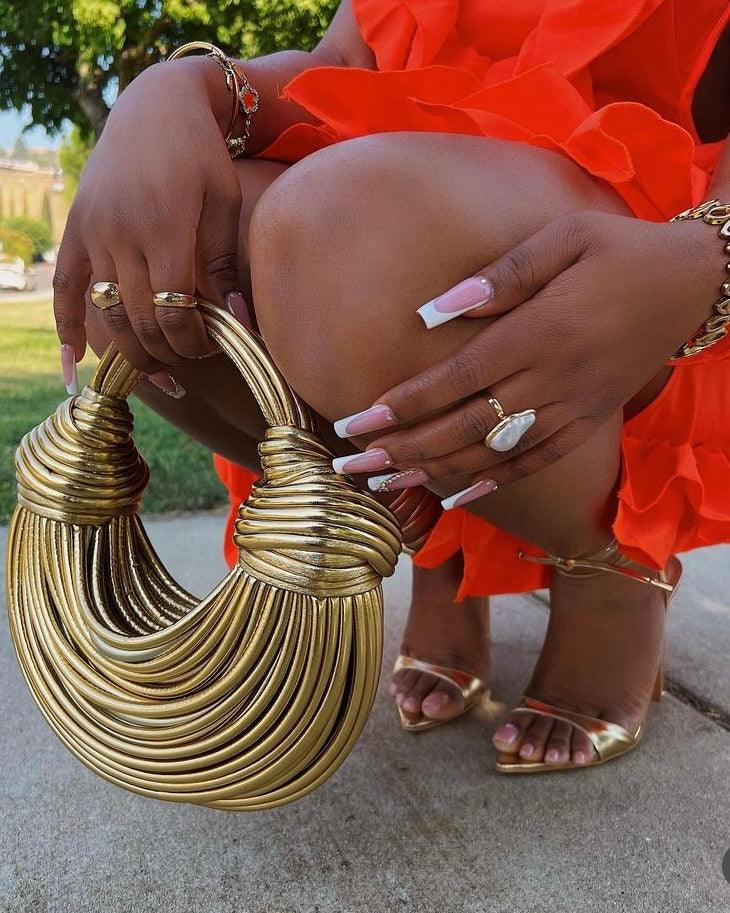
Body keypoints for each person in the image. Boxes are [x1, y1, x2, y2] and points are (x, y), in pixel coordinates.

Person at [53, 0, 730, 772]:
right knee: (146, 261)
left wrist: (710, 258)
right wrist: (176, 91)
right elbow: (343, 64)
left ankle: (610, 569)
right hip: (412, 216)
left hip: (645, 263)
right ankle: (442, 543)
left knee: (341, 227)